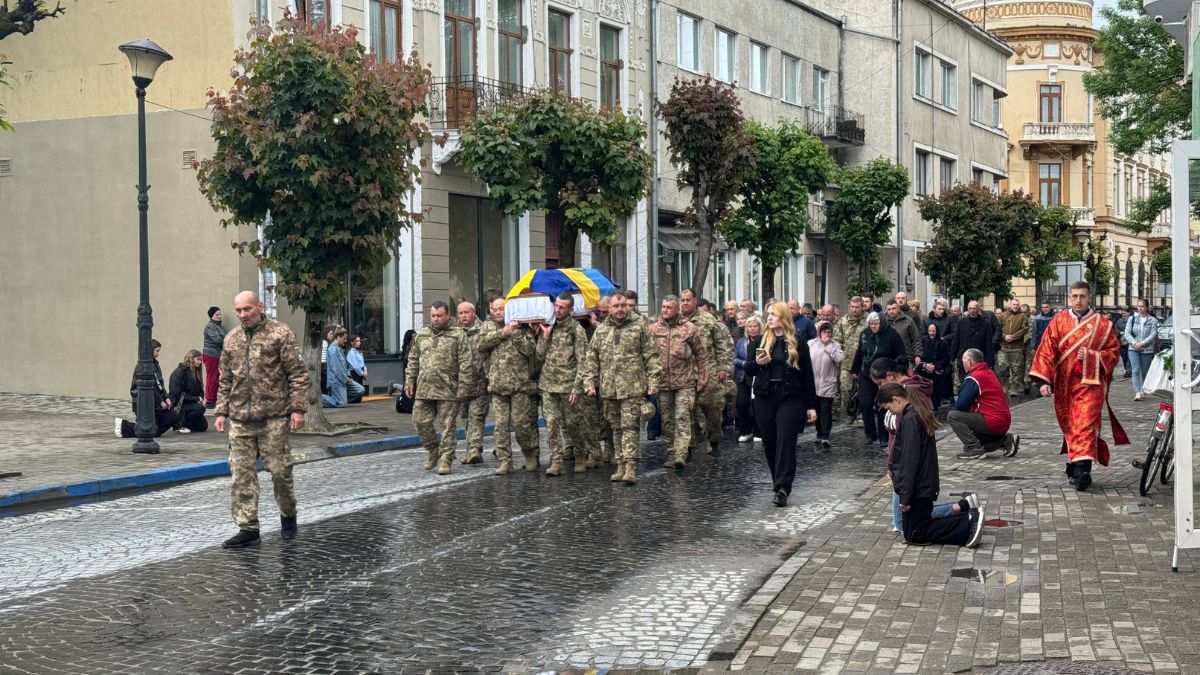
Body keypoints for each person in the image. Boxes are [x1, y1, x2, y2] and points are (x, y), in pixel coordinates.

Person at [214, 290, 309, 549]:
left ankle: (288, 516)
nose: (243, 315)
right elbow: (225, 380)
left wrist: (298, 409)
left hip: (274, 418)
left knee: (280, 472)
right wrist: (221, 412)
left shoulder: (280, 334)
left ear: (260, 306)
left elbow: (298, 375)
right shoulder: (231, 340)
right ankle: (248, 527)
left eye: (248, 309)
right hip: (240, 419)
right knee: (241, 475)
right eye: (239, 311)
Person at [1030, 281, 1129, 491]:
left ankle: (1082, 472)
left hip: (1090, 384)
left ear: (1089, 297)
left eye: (1082, 296)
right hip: (1064, 384)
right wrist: (1044, 381)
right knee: (1071, 425)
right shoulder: (1059, 322)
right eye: (1074, 296)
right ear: (1069, 297)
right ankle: (1074, 469)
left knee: (1083, 423)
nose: (1078, 300)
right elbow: (1047, 350)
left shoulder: (1103, 324)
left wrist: (1094, 356)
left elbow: (1114, 353)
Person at [878, 383, 984, 548]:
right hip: (922, 483)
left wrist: (905, 496)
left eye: (889, 408)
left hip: (919, 486)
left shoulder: (910, 419)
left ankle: (967, 522)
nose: (890, 412)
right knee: (912, 531)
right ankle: (966, 516)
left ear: (896, 399)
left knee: (917, 533)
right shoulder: (913, 414)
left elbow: (909, 460)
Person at [583, 293, 662, 485]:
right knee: (615, 428)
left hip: (632, 387)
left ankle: (630, 465)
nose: (620, 309)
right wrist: (589, 382)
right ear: (609, 308)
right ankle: (620, 463)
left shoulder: (638, 325)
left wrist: (654, 381)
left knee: (630, 427)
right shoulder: (602, 331)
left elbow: (651, 355)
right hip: (609, 388)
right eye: (616, 306)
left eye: (623, 305)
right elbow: (592, 358)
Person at [744, 302, 817, 507]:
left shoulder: (797, 342)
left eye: (773, 315)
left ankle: (783, 487)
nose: (769, 318)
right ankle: (777, 480)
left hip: (791, 398)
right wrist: (758, 364)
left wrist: (811, 406)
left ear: (783, 317)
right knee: (770, 442)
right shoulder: (759, 341)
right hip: (765, 398)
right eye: (768, 314)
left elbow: (808, 376)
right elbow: (748, 369)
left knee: (786, 440)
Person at [405, 301, 474, 475]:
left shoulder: (457, 334)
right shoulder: (422, 335)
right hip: (424, 388)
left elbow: (466, 362)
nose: (435, 319)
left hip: (448, 389)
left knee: (447, 427)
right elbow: (413, 359)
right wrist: (409, 381)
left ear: (447, 315)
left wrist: (464, 386)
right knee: (419, 421)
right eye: (433, 316)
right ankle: (433, 450)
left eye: (439, 316)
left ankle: (446, 459)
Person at [477, 297, 540, 476]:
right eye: (494, 309)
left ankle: (530, 453)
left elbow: (529, 350)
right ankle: (506, 461)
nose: (497, 312)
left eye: (501, 308)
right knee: (501, 426)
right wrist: (503, 332)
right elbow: (480, 344)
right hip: (497, 385)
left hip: (520, 385)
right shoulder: (488, 326)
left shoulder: (522, 326)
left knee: (521, 424)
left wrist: (515, 332)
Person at [537, 293, 597, 475]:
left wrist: (577, 387)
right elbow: (539, 355)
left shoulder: (575, 330)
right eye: (556, 306)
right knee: (551, 424)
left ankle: (580, 455)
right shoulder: (548, 326)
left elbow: (583, 361)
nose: (558, 309)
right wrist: (545, 336)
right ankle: (556, 461)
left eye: (562, 307)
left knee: (573, 424)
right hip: (548, 385)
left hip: (568, 386)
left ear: (570, 310)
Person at [649, 295, 709, 469]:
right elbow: (647, 355)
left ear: (677, 309)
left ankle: (681, 453)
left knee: (682, 416)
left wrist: (703, 377)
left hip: (685, 381)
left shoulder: (689, 328)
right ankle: (671, 451)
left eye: (669, 307)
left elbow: (701, 355)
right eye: (663, 306)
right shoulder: (654, 329)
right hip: (663, 383)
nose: (665, 310)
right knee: (667, 420)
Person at [681, 288, 734, 456]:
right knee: (685, 409)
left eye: (688, 300)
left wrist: (723, 368)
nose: (684, 303)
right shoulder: (678, 321)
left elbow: (721, 344)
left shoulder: (708, 320)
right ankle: (686, 445)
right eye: (682, 300)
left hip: (708, 370)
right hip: (685, 372)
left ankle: (713, 438)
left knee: (711, 407)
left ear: (695, 301)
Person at [850, 312, 906, 448]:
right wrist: (854, 370)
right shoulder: (865, 333)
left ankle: (884, 436)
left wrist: (899, 370)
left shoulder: (891, 334)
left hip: (885, 375)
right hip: (866, 374)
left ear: (881, 323)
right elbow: (860, 352)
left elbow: (901, 354)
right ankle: (870, 434)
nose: (873, 326)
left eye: (876, 324)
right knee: (865, 403)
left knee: (883, 404)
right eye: (871, 324)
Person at [949, 349, 1018, 459]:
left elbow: (961, 405)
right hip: (1002, 420)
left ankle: (973, 448)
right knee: (972, 434)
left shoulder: (974, 377)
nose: (962, 364)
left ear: (969, 362)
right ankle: (1005, 441)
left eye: (963, 361)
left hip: (992, 420)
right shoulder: (989, 372)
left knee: (953, 416)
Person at [114, 339, 180, 441]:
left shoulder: (155, 364)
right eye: (157, 351)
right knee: (151, 431)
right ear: (150, 350)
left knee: (173, 416)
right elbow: (150, 387)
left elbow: (159, 384)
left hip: (156, 403)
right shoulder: (143, 366)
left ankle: (150, 430)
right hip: (144, 402)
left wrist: (166, 398)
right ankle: (124, 426)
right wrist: (160, 401)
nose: (159, 353)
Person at [457, 301, 490, 465]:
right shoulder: (455, 333)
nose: (463, 316)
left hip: (480, 383)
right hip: (462, 385)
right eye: (461, 313)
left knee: (476, 417)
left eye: (466, 312)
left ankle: (474, 450)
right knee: (465, 418)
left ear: (473, 313)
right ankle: (472, 448)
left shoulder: (484, 330)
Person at [808, 320, 843, 448]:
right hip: (813, 383)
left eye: (829, 332)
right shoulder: (811, 344)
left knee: (825, 410)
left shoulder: (835, 345)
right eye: (824, 332)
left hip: (828, 383)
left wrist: (828, 346)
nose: (826, 334)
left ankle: (825, 436)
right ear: (819, 332)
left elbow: (839, 358)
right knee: (816, 410)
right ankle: (818, 433)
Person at [835, 296, 867, 424]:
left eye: (857, 307)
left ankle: (861, 414)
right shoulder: (843, 321)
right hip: (847, 362)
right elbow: (837, 339)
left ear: (862, 307)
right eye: (852, 307)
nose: (854, 310)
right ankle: (850, 411)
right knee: (845, 388)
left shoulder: (868, 320)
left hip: (864, 362)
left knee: (863, 390)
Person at [734, 314, 762, 442]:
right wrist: (743, 363)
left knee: (757, 405)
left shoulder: (764, 341)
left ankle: (758, 432)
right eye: (750, 326)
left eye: (755, 326)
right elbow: (733, 357)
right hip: (742, 376)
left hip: (758, 376)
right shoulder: (741, 342)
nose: (752, 329)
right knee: (742, 403)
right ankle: (745, 431)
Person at [950, 301, 999, 375]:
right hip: (964, 357)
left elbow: (988, 344)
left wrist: (990, 362)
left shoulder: (985, 324)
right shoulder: (961, 323)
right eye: (970, 308)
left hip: (978, 358)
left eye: (974, 308)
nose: (972, 311)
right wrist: (952, 357)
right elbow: (956, 341)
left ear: (978, 309)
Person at [1124, 299, 1159, 400]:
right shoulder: (1132, 319)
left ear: (1147, 307)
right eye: (1138, 306)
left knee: (1144, 371)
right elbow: (1127, 333)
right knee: (1135, 370)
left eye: (1142, 306)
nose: (1140, 308)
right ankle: (1138, 392)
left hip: (1146, 349)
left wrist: (1142, 343)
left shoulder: (1153, 320)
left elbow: (1153, 335)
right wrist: (1135, 343)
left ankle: (1143, 389)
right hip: (1133, 348)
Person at [168, 349, 209, 433]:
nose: (200, 362)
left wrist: (200, 398)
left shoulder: (196, 372)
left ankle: (182, 423)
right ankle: (177, 423)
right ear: (191, 358)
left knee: (203, 426)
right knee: (200, 409)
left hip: (191, 403)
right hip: (180, 403)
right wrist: (196, 399)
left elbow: (200, 390)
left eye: (200, 360)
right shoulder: (180, 372)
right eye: (198, 359)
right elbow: (177, 393)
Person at [322, 328, 364, 408]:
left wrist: (348, 376)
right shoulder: (333, 350)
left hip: (344, 379)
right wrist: (345, 379)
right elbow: (336, 369)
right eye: (344, 339)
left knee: (360, 390)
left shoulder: (339, 349)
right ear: (338, 337)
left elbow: (344, 365)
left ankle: (340, 398)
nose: (345, 341)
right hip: (337, 381)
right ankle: (319, 398)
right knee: (340, 404)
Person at [997, 299, 1030, 400]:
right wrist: (1004, 336)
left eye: (1017, 304)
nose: (1015, 306)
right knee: (1003, 369)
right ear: (1010, 305)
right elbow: (997, 328)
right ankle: (1004, 387)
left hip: (1017, 348)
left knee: (1016, 369)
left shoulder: (1022, 316)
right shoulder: (1002, 316)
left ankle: (1014, 389)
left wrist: (1014, 337)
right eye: (1014, 304)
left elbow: (1025, 329)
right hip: (1003, 347)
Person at [919, 322, 952, 408]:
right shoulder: (923, 341)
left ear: (937, 331)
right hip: (924, 370)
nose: (931, 333)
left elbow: (946, 359)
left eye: (933, 331)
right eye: (929, 331)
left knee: (936, 394)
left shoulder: (943, 343)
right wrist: (925, 365)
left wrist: (935, 366)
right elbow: (919, 355)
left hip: (937, 372)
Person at [202, 307, 226, 408]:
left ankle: (215, 398)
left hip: (217, 355)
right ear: (212, 316)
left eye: (220, 314)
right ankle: (210, 400)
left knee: (217, 377)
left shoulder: (219, 326)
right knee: (212, 377)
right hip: (211, 355)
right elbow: (218, 340)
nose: (219, 316)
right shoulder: (210, 327)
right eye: (217, 315)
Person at [1114, 307, 1132, 378]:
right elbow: (1116, 329)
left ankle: (1128, 371)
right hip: (1121, 342)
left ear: (1129, 313)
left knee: (1129, 358)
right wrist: (1120, 332)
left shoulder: (1132, 320)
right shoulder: (1119, 321)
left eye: (1125, 313)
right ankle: (1127, 370)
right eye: (1123, 313)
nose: (1124, 314)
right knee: (1124, 357)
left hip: (1130, 342)